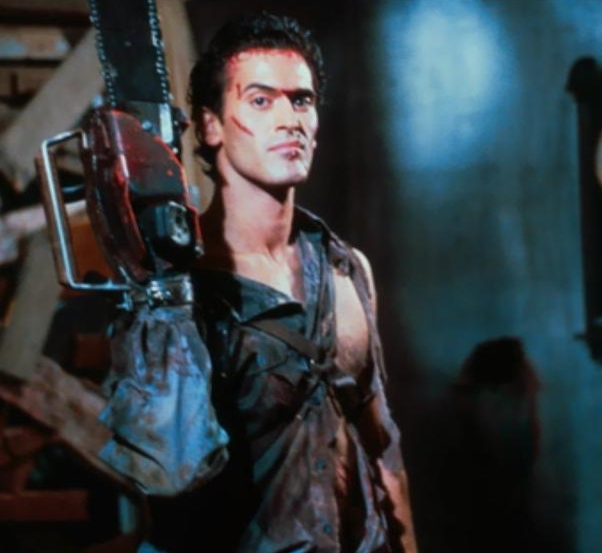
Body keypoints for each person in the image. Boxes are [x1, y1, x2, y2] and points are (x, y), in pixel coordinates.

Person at [104, 12, 417, 553]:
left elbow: (382, 446)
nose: (290, 119)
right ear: (210, 126)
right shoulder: (177, 290)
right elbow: (167, 472)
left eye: (301, 101)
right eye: (260, 100)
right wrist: (162, 302)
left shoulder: (345, 270)